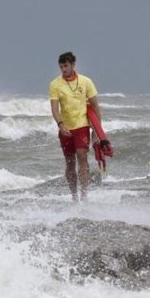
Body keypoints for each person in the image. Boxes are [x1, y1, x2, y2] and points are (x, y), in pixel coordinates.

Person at [49, 51, 101, 202]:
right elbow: (54, 109)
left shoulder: (86, 82)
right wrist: (60, 124)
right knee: (70, 162)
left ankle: (84, 195)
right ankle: (74, 196)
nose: (63, 69)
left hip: (82, 126)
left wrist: (97, 132)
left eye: (66, 66)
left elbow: (96, 107)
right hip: (66, 128)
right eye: (61, 67)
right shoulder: (55, 84)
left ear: (72, 64)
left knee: (82, 157)